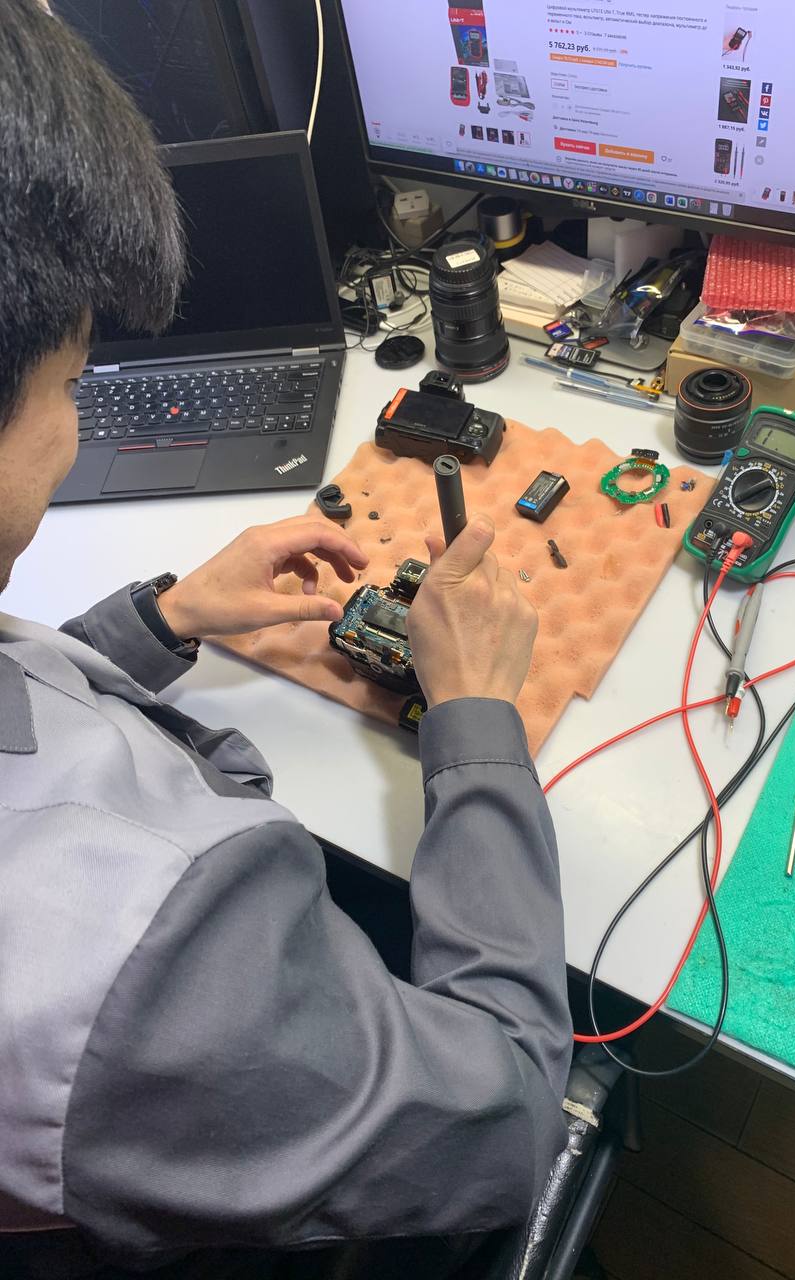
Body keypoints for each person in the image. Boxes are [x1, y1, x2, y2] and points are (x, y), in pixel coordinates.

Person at [0, 4, 572, 1277]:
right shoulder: (137, 961)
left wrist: (155, 623)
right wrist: (476, 722)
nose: (76, 430)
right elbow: (511, 1110)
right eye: (72, 384)